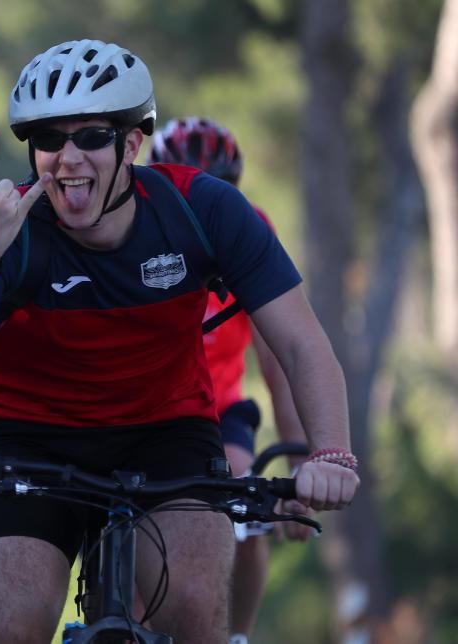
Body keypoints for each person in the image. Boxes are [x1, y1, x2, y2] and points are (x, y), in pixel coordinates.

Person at [0, 38, 360, 643]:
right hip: (24, 438)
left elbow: (302, 345)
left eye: (92, 137)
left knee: (196, 611)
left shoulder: (202, 208)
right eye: (49, 138)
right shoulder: (3, 224)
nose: (67, 158)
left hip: (165, 431)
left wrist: (330, 452)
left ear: (132, 143)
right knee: (11, 632)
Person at [148, 116, 315, 643]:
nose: (200, 202)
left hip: (217, 411)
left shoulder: (248, 230)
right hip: (138, 408)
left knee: (242, 498)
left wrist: (298, 460)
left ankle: (236, 635)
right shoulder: (128, 229)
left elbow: (281, 361)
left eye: (217, 188)